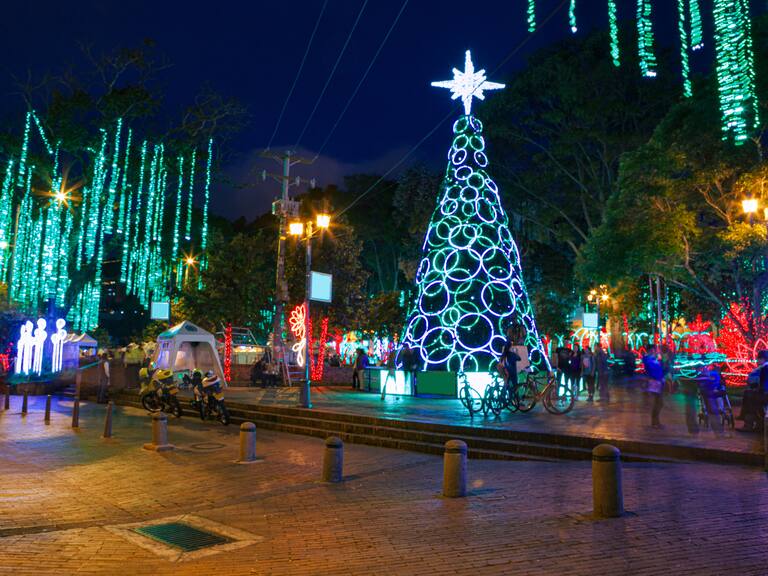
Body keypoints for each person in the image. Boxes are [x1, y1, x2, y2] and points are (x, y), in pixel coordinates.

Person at [738, 349, 768, 432]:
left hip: (764, 394)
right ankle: (758, 424)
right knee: (749, 395)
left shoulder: (764, 368)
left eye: (759, 359)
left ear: (763, 359)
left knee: (749, 399)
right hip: (763, 393)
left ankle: (748, 424)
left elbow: (760, 383)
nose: (757, 361)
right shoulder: (763, 368)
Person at [642, 346, 665, 428]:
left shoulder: (653, 359)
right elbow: (652, 371)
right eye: (655, 350)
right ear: (651, 350)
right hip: (654, 382)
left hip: (657, 381)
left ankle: (656, 422)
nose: (657, 351)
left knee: (659, 403)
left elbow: (659, 369)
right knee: (658, 402)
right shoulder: (649, 359)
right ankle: (655, 422)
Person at [501, 328, 522, 392]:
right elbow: (518, 358)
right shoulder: (509, 344)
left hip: (510, 366)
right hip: (511, 366)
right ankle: (511, 394)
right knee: (513, 381)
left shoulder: (509, 344)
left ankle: (508, 393)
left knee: (509, 381)